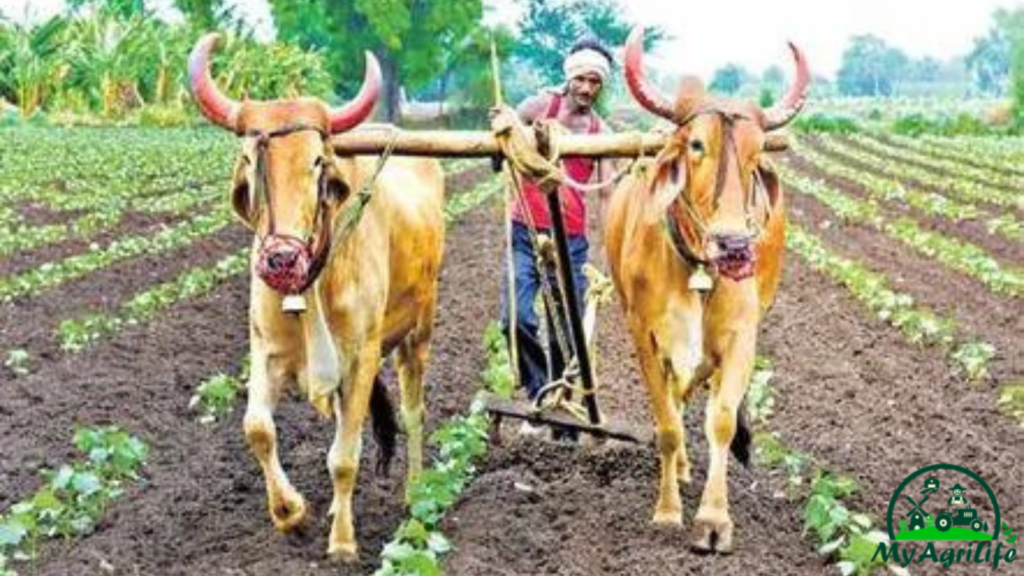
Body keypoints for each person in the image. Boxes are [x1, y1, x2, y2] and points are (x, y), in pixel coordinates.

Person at [497, 37, 617, 435]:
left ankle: (564, 428)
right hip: (525, 231)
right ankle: (538, 395)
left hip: (572, 241)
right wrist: (500, 129)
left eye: (595, 82)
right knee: (516, 317)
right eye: (581, 79)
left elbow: (605, 193)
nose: (586, 89)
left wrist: (603, 254)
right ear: (569, 77)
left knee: (568, 335)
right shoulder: (537, 108)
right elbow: (502, 146)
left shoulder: (601, 131)